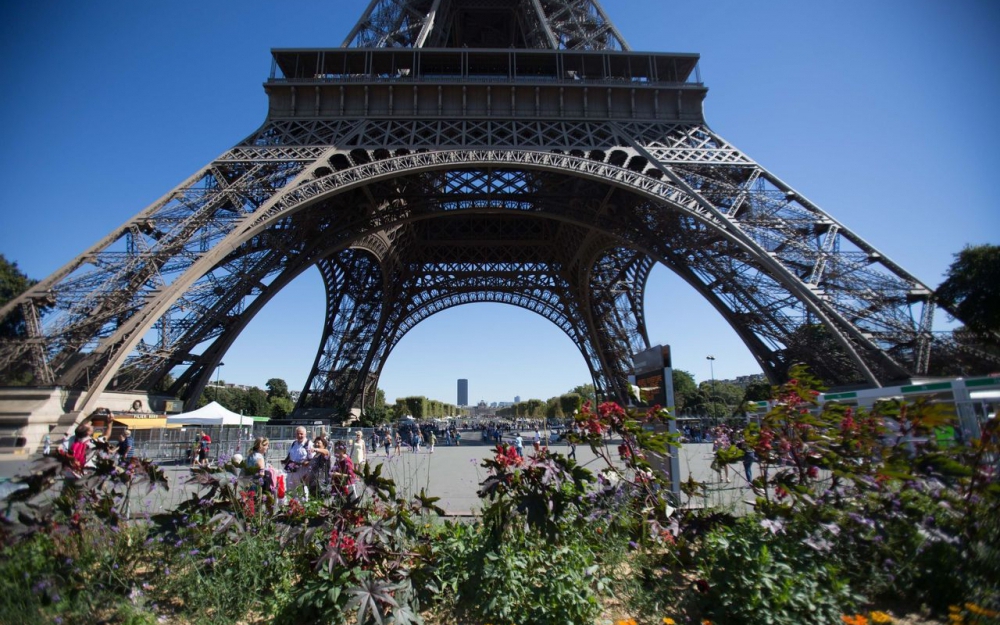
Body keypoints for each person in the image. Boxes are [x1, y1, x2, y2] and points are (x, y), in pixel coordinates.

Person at [283, 426, 314, 498]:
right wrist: (285, 461)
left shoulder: (308, 444)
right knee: (291, 492)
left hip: (302, 472)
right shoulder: (294, 443)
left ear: (305, 434)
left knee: (302, 493)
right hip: (292, 472)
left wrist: (307, 463)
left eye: (301, 434)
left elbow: (313, 459)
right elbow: (289, 455)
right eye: (298, 434)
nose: (299, 435)